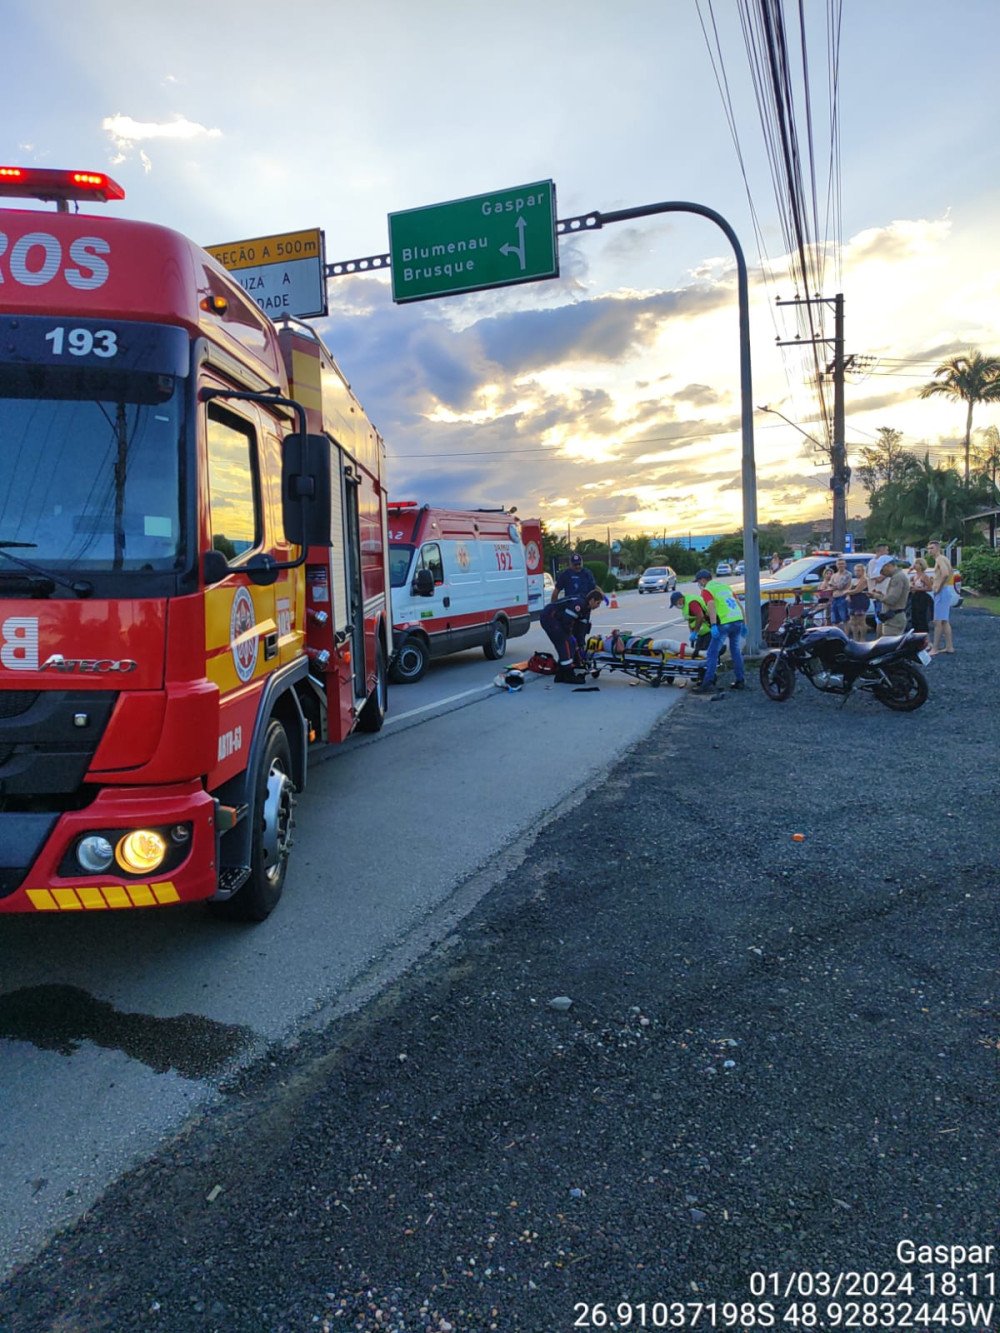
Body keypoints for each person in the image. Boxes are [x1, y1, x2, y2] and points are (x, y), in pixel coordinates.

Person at [689, 568, 746, 696]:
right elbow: (738, 604)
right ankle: (740, 680)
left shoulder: (707, 590)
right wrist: (744, 624)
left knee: (712, 653)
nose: (699, 584)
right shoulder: (725, 587)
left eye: (699, 581)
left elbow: (711, 606)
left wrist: (714, 624)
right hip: (737, 620)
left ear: (703, 580)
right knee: (736, 651)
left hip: (724, 623)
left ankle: (707, 684)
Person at [539, 587, 605, 683]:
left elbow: (581, 630)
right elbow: (567, 622)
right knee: (565, 642)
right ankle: (568, 675)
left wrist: (580, 644)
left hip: (558, 620)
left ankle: (561, 674)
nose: (598, 606)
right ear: (592, 600)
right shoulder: (579, 604)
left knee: (572, 643)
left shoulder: (586, 609)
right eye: (598, 603)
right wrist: (570, 637)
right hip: (549, 617)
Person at [927, 540, 955, 654]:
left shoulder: (939, 559)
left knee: (937, 621)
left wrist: (938, 586)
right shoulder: (944, 559)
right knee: (944, 620)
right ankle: (949, 646)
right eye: (928, 548)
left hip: (942, 591)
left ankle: (935, 648)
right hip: (946, 590)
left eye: (932, 548)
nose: (930, 550)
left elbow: (945, 574)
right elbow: (948, 572)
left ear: (938, 548)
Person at [670, 588, 712, 657]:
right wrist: (692, 632)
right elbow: (690, 619)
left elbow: (700, 616)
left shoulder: (692, 603)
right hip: (701, 632)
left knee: (706, 653)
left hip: (709, 630)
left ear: (680, 600)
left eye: (675, 604)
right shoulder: (684, 606)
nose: (676, 606)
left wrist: (695, 632)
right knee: (697, 652)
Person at [875, 557, 910, 636]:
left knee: (889, 644)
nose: (881, 573)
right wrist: (881, 595)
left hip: (894, 618)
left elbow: (891, 599)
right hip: (893, 617)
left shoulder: (897, 577)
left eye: (882, 570)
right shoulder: (898, 576)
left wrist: (877, 596)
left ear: (888, 566)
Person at [908, 557, 934, 635]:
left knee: (921, 616)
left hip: (922, 597)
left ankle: (923, 633)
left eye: (917, 563)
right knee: (914, 616)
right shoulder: (913, 577)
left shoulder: (924, 576)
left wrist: (918, 588)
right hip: (914, 597)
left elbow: (930, 588)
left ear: (921, 565)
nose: (915, 565)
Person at [866, 542, 892, 615]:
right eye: (886, 550)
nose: (887, 552)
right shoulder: (873, 563)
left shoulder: (886, 563)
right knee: (881, 617)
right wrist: (889, 572)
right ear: (881, 551)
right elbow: (877, 579)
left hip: (887, 594)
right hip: (879, 594)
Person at [846, 563, 869, 641]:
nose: (856, 572)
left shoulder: (864, 580)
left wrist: (845, 593)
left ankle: (862, 639)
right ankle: (855, 638)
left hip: (861, 602)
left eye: (859, 570)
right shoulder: (854, 580)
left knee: (861, 621)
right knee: (853, 621)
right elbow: (849, 590)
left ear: (863, 571)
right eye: (855, 571)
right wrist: (848, 595)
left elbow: (857, 590)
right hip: (852, 603)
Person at [827, 557, 851, 628]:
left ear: (845, 565)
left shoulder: (847, 574)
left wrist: (833, 586)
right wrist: (833, 586)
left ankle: (846, 636)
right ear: (836, 565)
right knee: (834, 620)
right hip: (834, 599)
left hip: (843, 598)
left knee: (845, 619)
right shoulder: (834, 575)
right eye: (839, 564)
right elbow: (829, 585)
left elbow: (840, 586)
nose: (841, 565)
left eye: (842, 564)